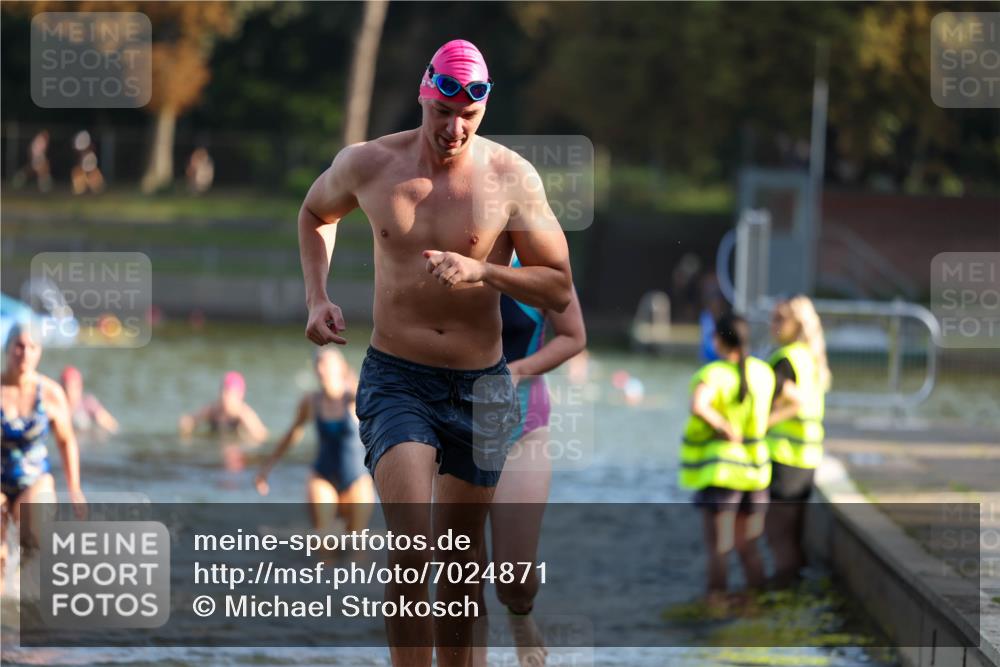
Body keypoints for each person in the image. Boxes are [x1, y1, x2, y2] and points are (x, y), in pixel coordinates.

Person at [298, 39, 572, 667]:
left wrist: (485, 274)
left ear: (483, 113)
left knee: (457, 561)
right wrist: (317, 298)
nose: (453, 129)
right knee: (413, 548)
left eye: (467, 118)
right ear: (425, 97)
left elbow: (557, 284)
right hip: (398, 379)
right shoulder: (371, 164)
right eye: (441, 113)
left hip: (483, 386)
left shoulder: (511, 178)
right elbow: (316, 212)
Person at [473, 254, 586, 667]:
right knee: (462, 572)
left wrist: (520, 369)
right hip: (448, 427)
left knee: (514, 578)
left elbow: (572, 336)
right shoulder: (446, 249)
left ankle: (521, 618)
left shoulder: (539, 263)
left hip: (522, 428)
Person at [678, 314, 775, 609]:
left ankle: (715, 604)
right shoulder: (763, 372)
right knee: (749, 546)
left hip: (723, 473)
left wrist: (723, 426)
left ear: (719, 340)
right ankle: (757, 606)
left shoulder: (715, 373)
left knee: (719, 547)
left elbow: (699, 406)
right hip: (757, 470)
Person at [1, 325, 87, 596]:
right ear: (7, 347)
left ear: (39, 353)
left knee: (34, 539)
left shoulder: (50, 393)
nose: (24, 353)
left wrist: (74, 489)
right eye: (19, 346)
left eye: (32, 347)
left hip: (35, 478)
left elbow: (66, 441)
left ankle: (34, 607)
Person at [255, 348, 375, 534]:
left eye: (326, 363)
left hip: (356, 479)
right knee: (322, 539)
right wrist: (266, 468)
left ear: (340, 368)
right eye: (318, 363)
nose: (321, 368)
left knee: (357, 545)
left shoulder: (355, 398)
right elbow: (292, 435)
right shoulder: (310, 402)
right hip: (322, 476)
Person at [764, 295, 830, 585]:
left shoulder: (786, 358)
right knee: (793, 538)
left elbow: (798, 403)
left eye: (779, 318)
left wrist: (760, 425)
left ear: (796, 323)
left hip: (785, 459)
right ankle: (795, 598)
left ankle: (781, 599)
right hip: (807, 460)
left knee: (779, 539)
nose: (772, 324)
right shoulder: (811, 358)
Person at [178, 371, 268, 445]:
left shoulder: (243, 413)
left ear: (239, 396)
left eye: (229, 394)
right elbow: (187, 422)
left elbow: (261, 435)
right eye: (222, 393)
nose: (224, 397)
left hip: (236, 443)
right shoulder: (213, 410)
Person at [59, 366, 119, 438]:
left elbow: (111, 425)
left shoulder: (88, 404)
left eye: (73, 387)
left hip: (88, 440)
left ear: (80, 387)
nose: (70, 392)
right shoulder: (57, 406)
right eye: (66, 388)